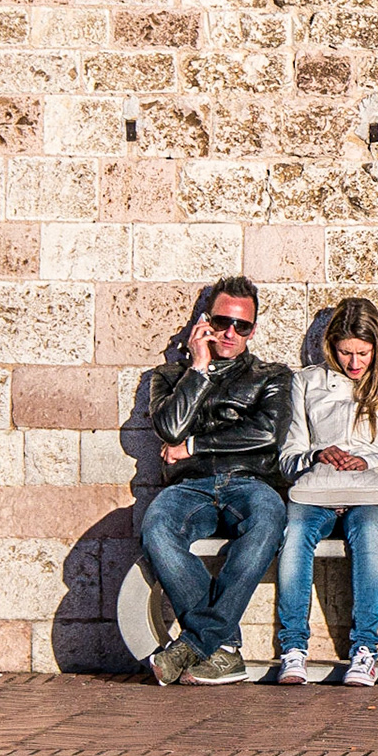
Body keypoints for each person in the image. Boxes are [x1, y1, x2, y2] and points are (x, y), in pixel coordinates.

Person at [141, 275, 293, 686]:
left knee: (267, 521)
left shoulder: (272, 376)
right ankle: (222, 648)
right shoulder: (169, 376)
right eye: (223, 322)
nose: (230, 333)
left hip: (249, 483)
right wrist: (199, 369)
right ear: (205, 323)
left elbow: (266, 433)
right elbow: (169, 427)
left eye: (241, 326)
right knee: (156, 527)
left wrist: (192, 446)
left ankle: (195, 642)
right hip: (189, 488)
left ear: (253, 330)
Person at [274, 298, 378, 688]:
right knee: (294, 534)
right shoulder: (306, 382)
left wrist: (372, 463)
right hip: (318, 487)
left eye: (362, 353)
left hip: (369, 490)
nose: (353, 363)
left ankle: (365, 649)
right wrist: (318, 452)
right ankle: (293, 648)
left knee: (370, 536)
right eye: (345, 352)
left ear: (376, 348)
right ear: (330, 345)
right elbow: (288, 455)